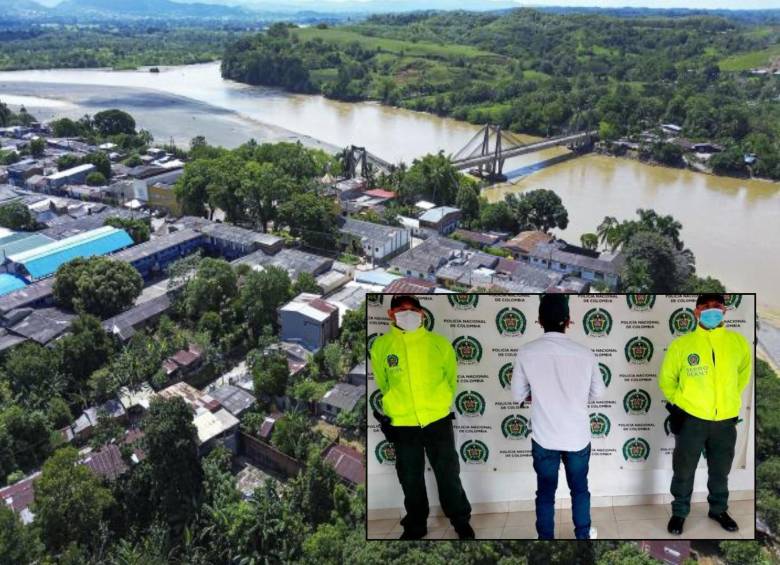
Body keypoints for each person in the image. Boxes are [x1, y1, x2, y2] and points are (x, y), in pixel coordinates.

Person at [369, 294, 474, 540]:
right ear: (391, 315)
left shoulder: (439, 344)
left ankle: (461, 521)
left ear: (422, 314)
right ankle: (416, 526)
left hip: (437, 419)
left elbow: (450, 379)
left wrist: (437, 404)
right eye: (401, 309)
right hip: (403, 424)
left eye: (413, 309)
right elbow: (384, 384)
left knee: (448, 475)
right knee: (410, 478)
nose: (408, 314)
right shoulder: (382, 347)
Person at [511, 294, 605, 540]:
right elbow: (598, 392)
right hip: (577, 437)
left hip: (544, 438)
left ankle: (545, 540)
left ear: (539, 320)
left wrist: (541, 396)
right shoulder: (585, 353)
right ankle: (583, 536)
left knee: (545, 493)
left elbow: (518, 395)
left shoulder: (526, 352)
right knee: (580, 490)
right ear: (569, 320)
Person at [659, 293, 752, 536]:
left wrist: (726, 400)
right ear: (696, 312)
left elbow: (741, 376)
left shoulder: (738, 343)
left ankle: (718, 509)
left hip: (724, 421)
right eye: (706, 307)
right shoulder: (682, 345)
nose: (712, 311)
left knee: (720, 470)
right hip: (692, 420)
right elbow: (667, 380)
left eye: (717, 307)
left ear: (725, 311)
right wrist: (685, 404)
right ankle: (679, 513)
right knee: (684, 470)